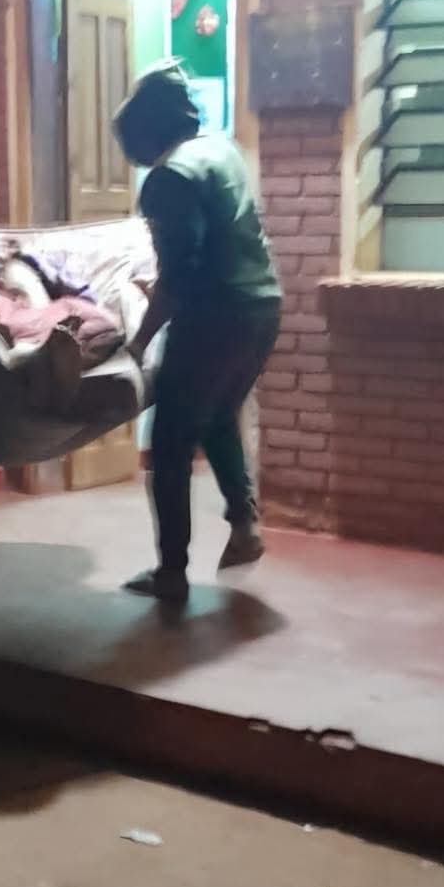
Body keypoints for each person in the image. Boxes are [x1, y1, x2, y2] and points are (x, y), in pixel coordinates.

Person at [112, 61, 282, 603]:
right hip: (262, 307)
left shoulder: (169, 178)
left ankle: (171, 572)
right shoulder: (223, 149)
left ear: (148, 130)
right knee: (219, 415)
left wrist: (136, 344)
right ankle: (245, 525)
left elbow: (179, 280)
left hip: (215, 317)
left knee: (169, 445)